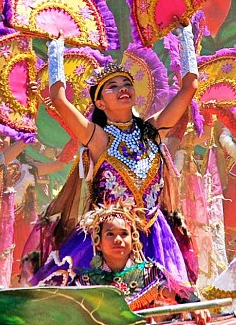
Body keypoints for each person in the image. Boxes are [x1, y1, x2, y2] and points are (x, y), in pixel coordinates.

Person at [30, 22, 199, 296]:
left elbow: (190, 87)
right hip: (108, 241)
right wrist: (56, 46)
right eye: (112, 87)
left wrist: (185, 35)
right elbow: (58, 98)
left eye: (126, 84)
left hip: (155, 237)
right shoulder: (98, 138)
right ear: (99, 103)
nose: (123, 88)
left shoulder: (152, 131)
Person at [63, 203, 210, 324]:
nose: (118, 240)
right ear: (98, 243)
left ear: (134, 241)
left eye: (124, 234)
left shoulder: (150, 273)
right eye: (110, 234)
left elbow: (176, 291)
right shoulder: (84, 284)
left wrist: (196, 306)